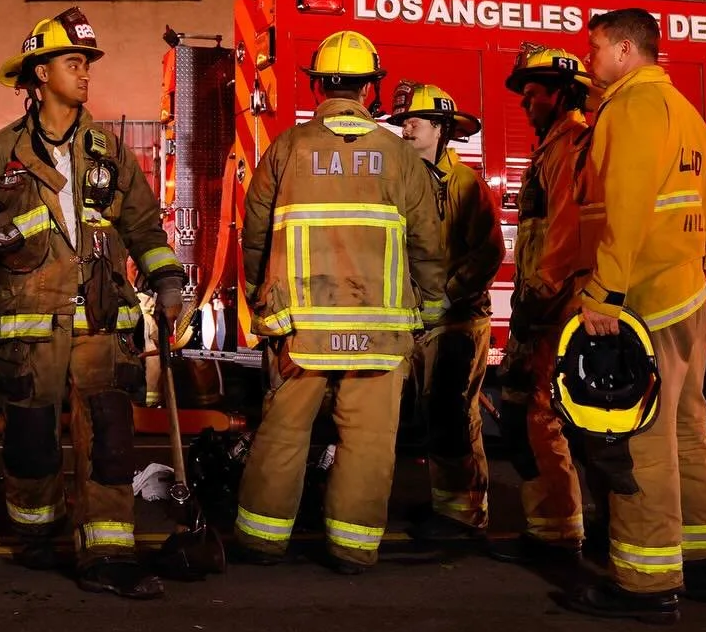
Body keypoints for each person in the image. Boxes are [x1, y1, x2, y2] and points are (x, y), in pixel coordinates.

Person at [0, 8, 187, 600]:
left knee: (110, 439)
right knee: (30, 439)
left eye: (86, 64)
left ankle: (109, 552)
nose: (85, 75)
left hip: (102, 325)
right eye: (73, 63)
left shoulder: (108, 148)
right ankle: (36, 531)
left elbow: (144, 227)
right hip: (28, 329)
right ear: (40, 74)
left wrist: (166, 282)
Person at [233, 31, 446, 573]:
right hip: (379, 331)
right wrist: (432, 309)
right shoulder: (400, 156)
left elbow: (254, 235)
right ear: (371, 91)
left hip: (300, 329)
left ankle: (261, 540)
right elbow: (427, 243)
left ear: (318, 84)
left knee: (283, 432)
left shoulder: (288, 147)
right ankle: (352, 547)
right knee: (369, 440)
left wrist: (263, 302)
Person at [559, 7, 706, 624]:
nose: (589, 60)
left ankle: (647, 583)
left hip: (643, 303)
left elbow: (625, 210)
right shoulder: (688, 115)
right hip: (685, 295)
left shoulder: (629, 109)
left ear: (626, 50)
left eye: (596, 48)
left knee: (640, 441)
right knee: (689, 431)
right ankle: (705, 558)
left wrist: (604, 294)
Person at [383, 82, 505, 542]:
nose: (406, 129)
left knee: (453, 412)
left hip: (456, 319)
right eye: (402, 122)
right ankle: (447, 503)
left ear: (441, 129)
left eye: (414, 121)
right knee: (432, 414)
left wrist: (447, 297)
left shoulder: (466, 184)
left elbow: (487, 252)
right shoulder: (398, 182)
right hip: (415, 321)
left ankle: (464, 514)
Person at [488, 46, 592, 565]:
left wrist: (541, 303)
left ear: (560, 93)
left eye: (532, 96)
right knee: (529, 413)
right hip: (548, 305)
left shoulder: (569, 144)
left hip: (555, 309)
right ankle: (558, 524)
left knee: (535, 414)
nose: (526, 105)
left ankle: (556, 533)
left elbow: (566, 235)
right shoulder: (552, 145)